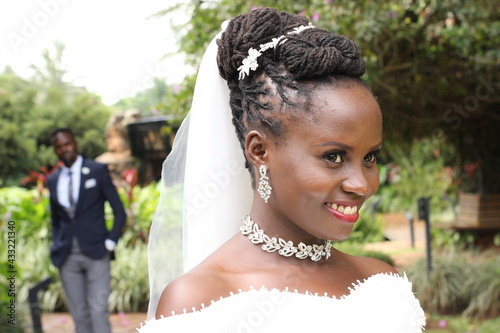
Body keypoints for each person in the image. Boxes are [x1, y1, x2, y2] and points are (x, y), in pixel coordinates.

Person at [139, 7, 426, 332]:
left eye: (370, 157)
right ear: (259, 151)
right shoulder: (198, 301)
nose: (361, 185)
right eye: (334, 157)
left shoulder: (381, 281)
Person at [47, 128, 126, 333]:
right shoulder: (53, 180)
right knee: (79, 315)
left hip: (97, 253)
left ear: (75, 143)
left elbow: (119, 211)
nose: (65, 149)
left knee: (98, 311)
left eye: (68, 144)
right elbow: (56, 220)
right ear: (55, 150)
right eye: (59, 146)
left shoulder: (97, 170)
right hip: (67, 257)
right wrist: (56, 245)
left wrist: (110, 242)